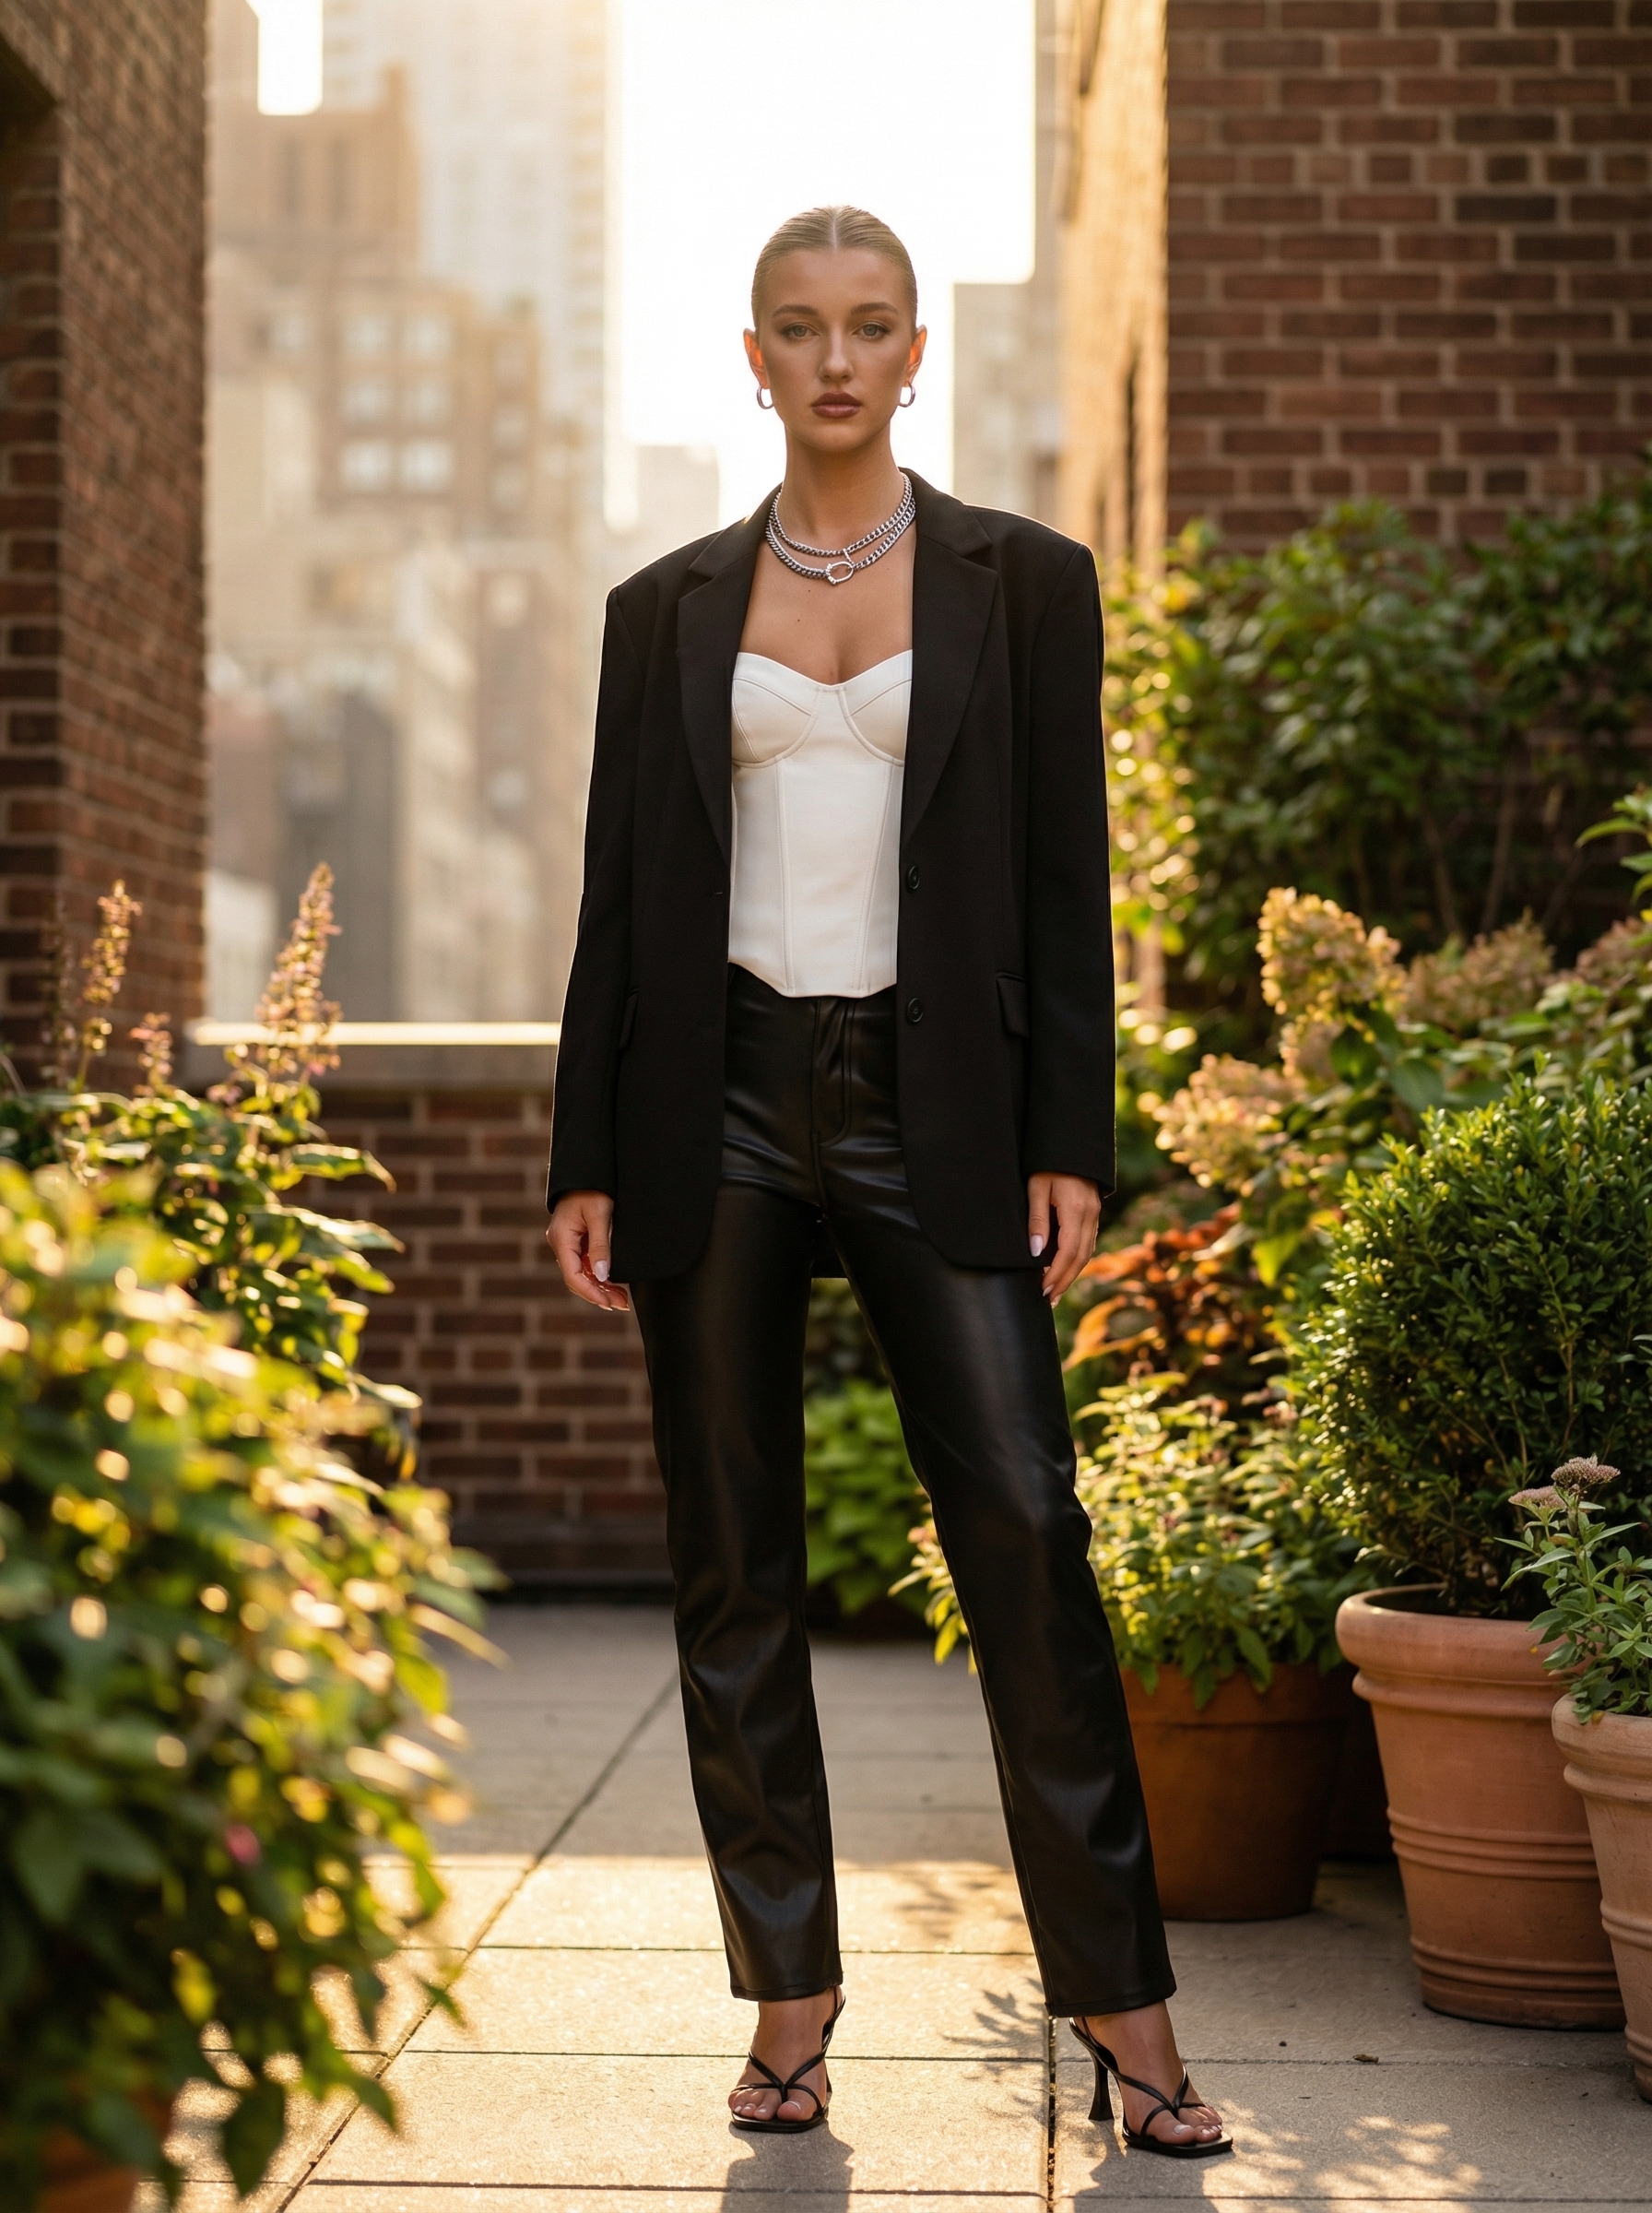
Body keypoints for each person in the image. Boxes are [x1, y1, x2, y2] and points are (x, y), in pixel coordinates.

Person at [546, 205, 1230, 2158]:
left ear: (912, 352)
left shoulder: (1024, 585)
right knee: (729, 1559)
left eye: (865, 329)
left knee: (1022, 1519)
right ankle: (787, 2001)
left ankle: (1125, 2004)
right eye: (796, 329)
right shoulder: (660, 609)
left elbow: (1062, 882)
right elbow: (621, 903)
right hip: (723, 1099)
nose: (832, 360)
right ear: (749, 356)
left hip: (934, 1102)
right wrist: (586, 1149)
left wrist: (1065, 1135)